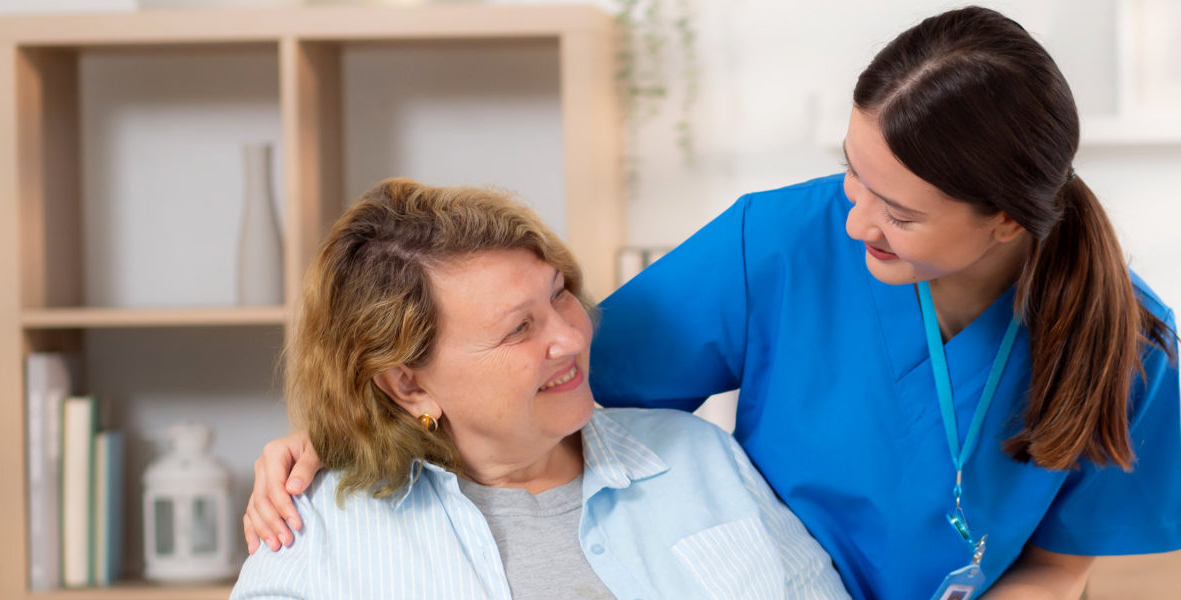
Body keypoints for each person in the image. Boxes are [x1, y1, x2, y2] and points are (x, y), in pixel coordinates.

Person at [246, 7, 1181, 599]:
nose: (855, 220)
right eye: (849, 173)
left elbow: (1060, 565)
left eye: (899, 212)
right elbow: (544, 378)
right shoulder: (778, 245)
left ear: (1007, 224)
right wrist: (338, 434)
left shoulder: (1124, 341)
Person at [230, 178, 848, 599]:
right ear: (408, 385)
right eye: (519, 329)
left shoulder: (699, 458)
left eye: (559, 295)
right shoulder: (318, 527)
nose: (571, 338)